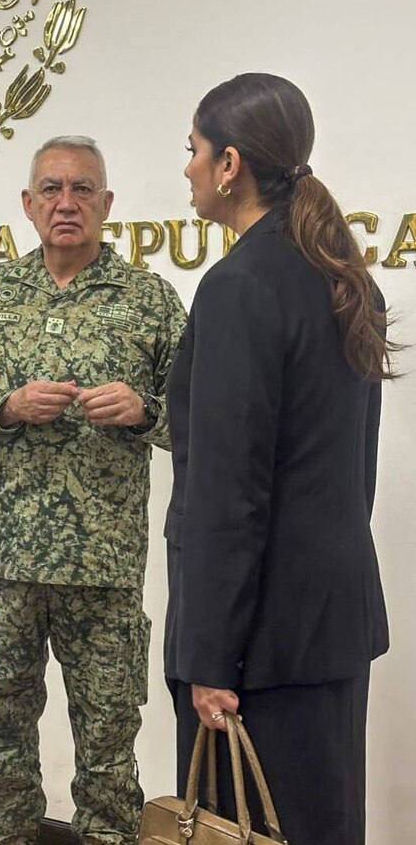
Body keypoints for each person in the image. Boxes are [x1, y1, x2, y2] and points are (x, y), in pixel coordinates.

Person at [0, 136, 186, 845]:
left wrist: (145, 411)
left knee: (108, 753)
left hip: (103, 569)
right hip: (3, 566)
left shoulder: (150, 300)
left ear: (106, 203)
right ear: (28, 203)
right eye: (51, 189)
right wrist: (5, 406)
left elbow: (203, 418)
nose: (66, 203)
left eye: (82, 189)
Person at [164, 74, 393, 845]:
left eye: (194, 150)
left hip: (255, 645)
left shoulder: (239, 287)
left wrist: (209, 659)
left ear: (230, 164)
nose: (188, 168)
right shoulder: (346, 278)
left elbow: (228, 494)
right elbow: (353, 472)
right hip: (328, 621)